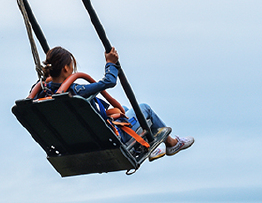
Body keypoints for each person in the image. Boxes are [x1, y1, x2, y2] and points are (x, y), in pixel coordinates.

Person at [36, 46, 194, 160]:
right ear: (65, 68)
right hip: (109, 139)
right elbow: (109, 81)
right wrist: (110, 63)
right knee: (144, 109)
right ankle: (171, 143)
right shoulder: (75, 90)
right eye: (72, 66)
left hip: (79, 143)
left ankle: (151, 146)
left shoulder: (43, 93)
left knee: (123, 110)